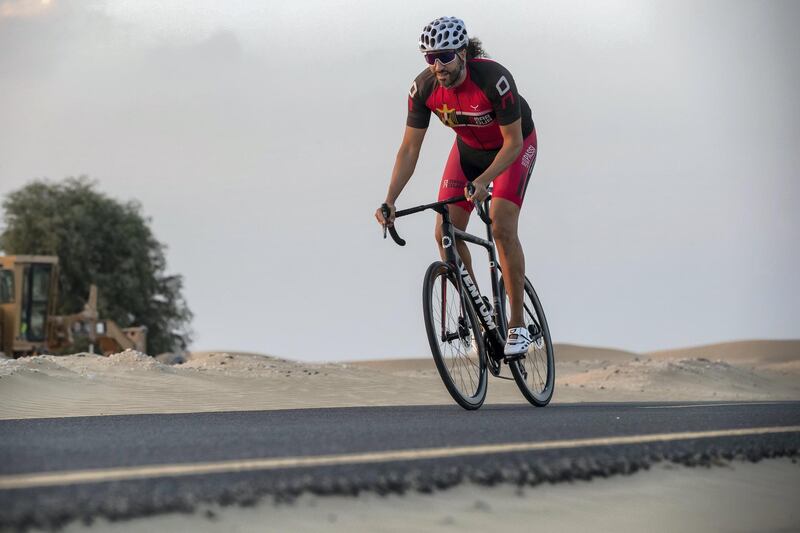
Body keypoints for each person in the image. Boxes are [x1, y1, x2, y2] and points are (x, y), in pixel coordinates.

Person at [374, 16, 538, 358]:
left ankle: (517, 325)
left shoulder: (494, 79)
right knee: (443, 232)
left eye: (444, 56)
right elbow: (409, 149)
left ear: (462, 53)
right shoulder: (423, 90)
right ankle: (482, 319)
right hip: (467, 154)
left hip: (513, 148)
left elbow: (512, 143)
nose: (437, 66)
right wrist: (390, 199)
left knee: (502, 226)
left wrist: (482, 182)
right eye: (429, 58)